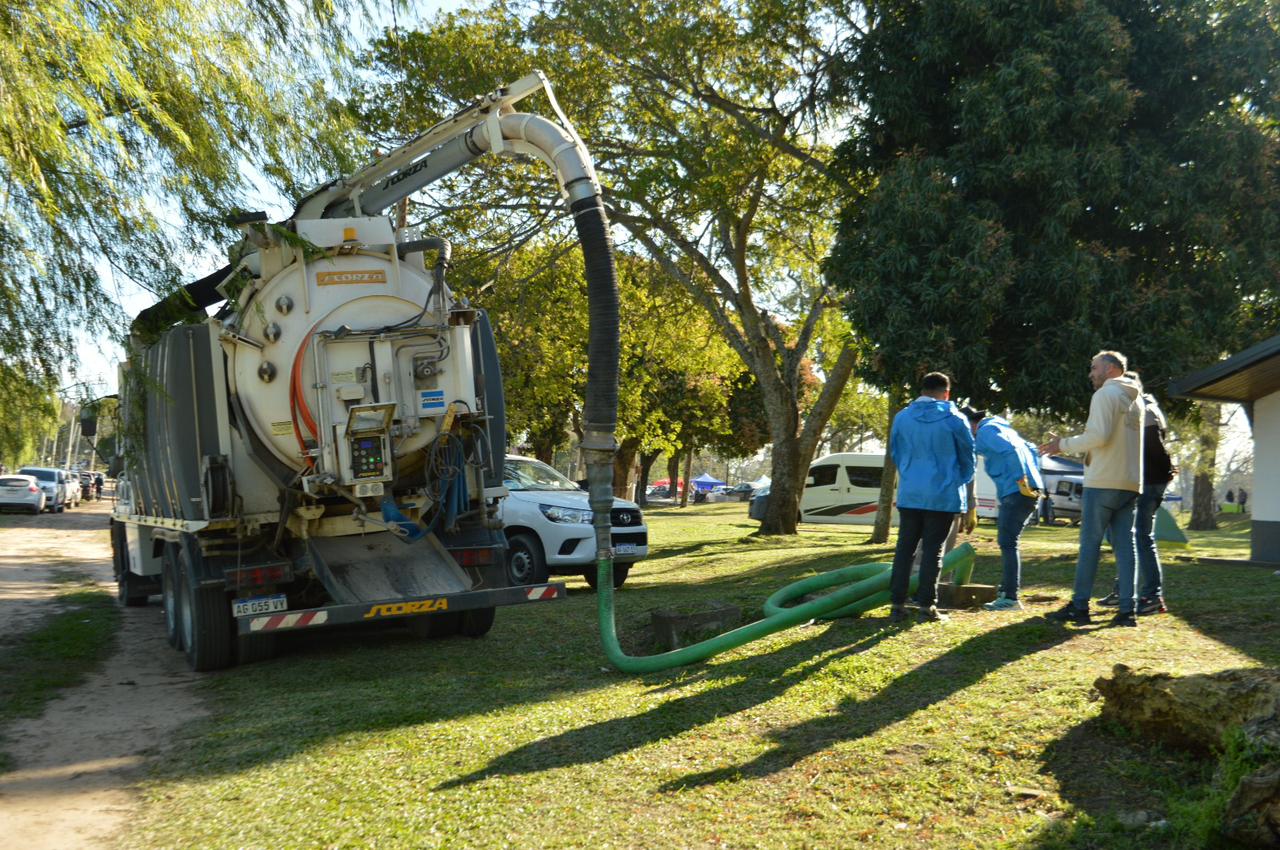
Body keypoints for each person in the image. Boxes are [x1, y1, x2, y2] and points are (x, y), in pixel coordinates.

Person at [1040, 351, 1145, 627]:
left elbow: (1098, 436)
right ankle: (1128, 610)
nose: (1091, 374)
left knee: (1090, 545)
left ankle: (1079, 606)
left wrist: (1062, 445)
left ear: (1110, 369)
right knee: (1126, 547)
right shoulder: (1136, 399)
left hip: (1103, 481)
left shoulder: (1104, 394)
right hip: (1130, 482)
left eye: (1094, 368)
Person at [888, 372, 975, 624]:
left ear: (922, 390)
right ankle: (927, 606)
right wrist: (957, 481)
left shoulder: (902, 417)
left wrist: (910, 476)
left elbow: (896, 453)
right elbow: (968, 460)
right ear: (946, 393)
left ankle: (897, 604)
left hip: (911, 493)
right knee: (933, 550)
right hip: (942, 495)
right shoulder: (955, 419)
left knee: (904, 549)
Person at [1099, 390, 1174, 615]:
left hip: (1148, 483)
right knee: (1121, 535)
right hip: (1139, 482)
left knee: (1140, 537)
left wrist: (1167, 470)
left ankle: (1152, 596)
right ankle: (1124, 590)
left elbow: (1155, 447)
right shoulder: (1141, 409)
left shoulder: (1145, 410)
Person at [961, 406, 1043, 611]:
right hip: (1029, 490)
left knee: (1007, 543)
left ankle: (1010, 597)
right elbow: (1032, 449)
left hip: (1017, 491)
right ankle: (1007, 593)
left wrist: (1020, 480)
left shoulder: (986, 431)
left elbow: (1009, 451)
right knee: (1009, 542)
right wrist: (1032, 481)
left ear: (971, 423)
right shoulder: (1004, 428)